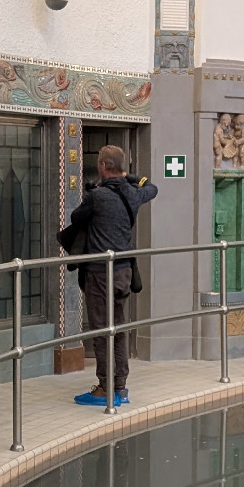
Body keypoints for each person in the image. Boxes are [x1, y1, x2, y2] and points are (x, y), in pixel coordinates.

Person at [63, 144, 157, 406]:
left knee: (103, 330)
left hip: (100, 273)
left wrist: (99, 187)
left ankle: (105, 387)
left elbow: (76, 217)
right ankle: (121, 388)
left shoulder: (98, 196)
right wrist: (128, 177)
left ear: (103, 166)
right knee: (119, 327)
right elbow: (152, 187)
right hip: (124, 271)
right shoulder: (134, 194)